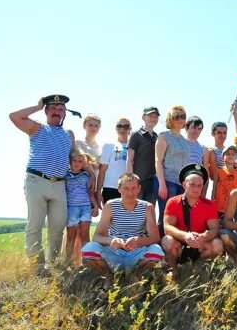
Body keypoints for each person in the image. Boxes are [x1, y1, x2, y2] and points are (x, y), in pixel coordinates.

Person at [9, 95, 76, 268]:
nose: (57, 112)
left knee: (58, 226)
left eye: (60, 110)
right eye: (52, 108)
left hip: (60, 184)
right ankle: (36, 266)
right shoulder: (36, 128)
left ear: (64, 114)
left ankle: (51, 265)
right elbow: (14, 116)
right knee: (35, 224)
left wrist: (90, 173)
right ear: (46, 111)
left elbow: (75, 157)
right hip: (37, 181)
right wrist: (37, 106)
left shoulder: (69, 134)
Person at [81, 173, 163, 289]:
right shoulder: (110, 205)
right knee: (88, 249)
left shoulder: (147, 207)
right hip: (115, 252)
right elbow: (97, 237)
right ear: (119, 189)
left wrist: (138, 240)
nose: (130, 193)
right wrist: (111, 240)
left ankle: (135, 275)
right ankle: (108, 275)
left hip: (136, 254)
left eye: (133, 188)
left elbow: (155, 238)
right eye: (126, 188)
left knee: (157, 251)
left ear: (139, 189)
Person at [161, 164, 223, 280]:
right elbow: (167, 227)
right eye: (192, 185)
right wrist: (186, 236)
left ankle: (197, 267)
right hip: (180, 245)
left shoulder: (209, 205)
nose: (196, 188)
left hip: (200, 245)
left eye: (199, 185)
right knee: (167, 241)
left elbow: (214, 229)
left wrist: (203, 237)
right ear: (184, 184)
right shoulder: (173, 202)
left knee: (217, 245)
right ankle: (174, 270)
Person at [155, 105, 192, 235]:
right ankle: (160, 248)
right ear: (170, 119)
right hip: (167, 180)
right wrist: (162, 184)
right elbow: (158, 161)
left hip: (181, 183)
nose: (180, 119)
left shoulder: (184, 140)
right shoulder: (163, 136)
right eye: (176, 116)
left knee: (179, 216)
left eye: (182, 116)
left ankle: (176, 249)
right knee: (166, 215)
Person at [65, 150, 99, 265]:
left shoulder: (86, 176)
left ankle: (86, 263)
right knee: (71, 237)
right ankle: (68, 263)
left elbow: (90, 193)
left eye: (80, 161)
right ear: (70, 161)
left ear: (84, 163)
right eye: (74, 160)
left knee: (84, 236)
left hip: (85, 208)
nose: (77, 163)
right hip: (71, 208)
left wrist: (95, 206)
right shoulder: (65, 175)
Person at [127, 106, 159, 204]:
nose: (153, 118)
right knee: (136, 211)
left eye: (155, 116)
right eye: (150, 116)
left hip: (152, 181)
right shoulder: (136, 135)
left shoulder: (157, 136)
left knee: (149, 211)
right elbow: (129, 159)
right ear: (143, 117)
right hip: (138, 181)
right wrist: (130, 180)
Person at [97, 117, 132, 207]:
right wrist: (98, 192)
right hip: (110, 187)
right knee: (110, 219)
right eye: (119, 126)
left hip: (128, 188)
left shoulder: (134, 147)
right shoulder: (108, 145)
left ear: (130, 129)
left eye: (126, 126)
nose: (122, 129)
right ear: (115, 128)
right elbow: (102, 170)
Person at [212, 145, 237, 216]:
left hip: (234, 207)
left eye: (233, 154)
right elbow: (214, 187)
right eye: (228, 154)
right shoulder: (218, 171)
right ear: (222, 157)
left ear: (236, 157)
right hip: (220, 207)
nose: (230, 156)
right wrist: (212, 201)